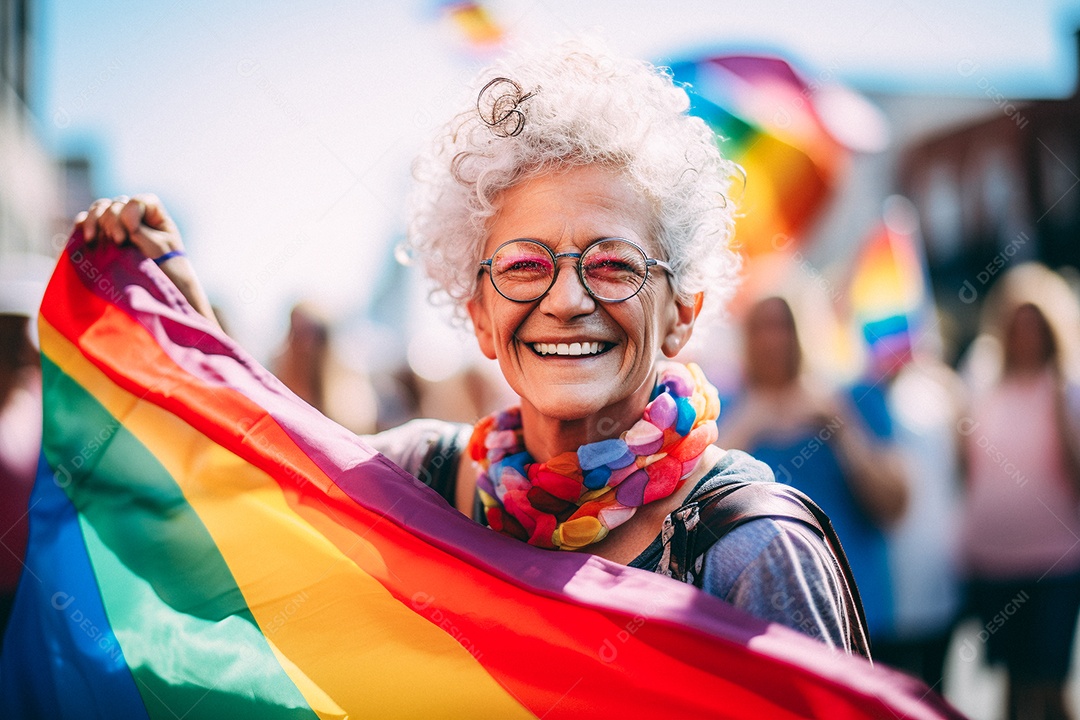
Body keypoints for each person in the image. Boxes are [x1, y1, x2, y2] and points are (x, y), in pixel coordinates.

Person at [74, 40, 865, 654]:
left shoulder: (753, 549)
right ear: (480, 314)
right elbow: (253, 500)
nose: (566, 299)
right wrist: (176, 318)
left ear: (682, 313)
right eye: (523, 266)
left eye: (614, 264)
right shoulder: (421, 480)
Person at [717, 296, 908, 645]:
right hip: (756, 627)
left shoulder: (855, 398)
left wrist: (842, 426)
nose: (774, 339)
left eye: (784, 324)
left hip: (856, 611)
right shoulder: (719, 410)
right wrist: (746, 424)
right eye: (761, 327)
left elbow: (894, 505)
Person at [958, 263, 1080, 720]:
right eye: (1016, 322)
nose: (1025, 333)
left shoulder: (1067, 386)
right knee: (1011, 682)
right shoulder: (981, 378)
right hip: (993, 560)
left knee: (1048, 682)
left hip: (1055, 561)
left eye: (1034, 322)